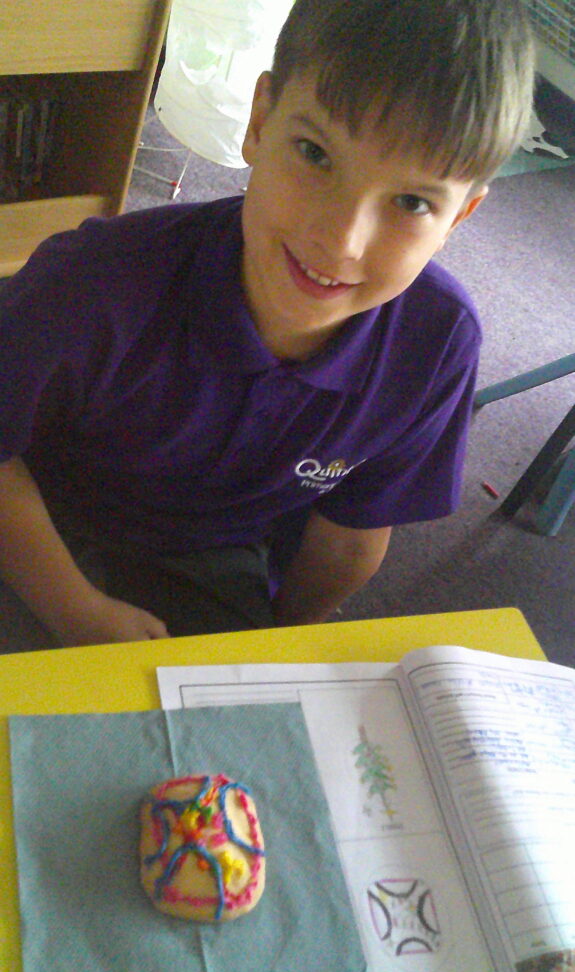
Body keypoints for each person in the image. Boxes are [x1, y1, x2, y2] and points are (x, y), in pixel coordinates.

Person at [0, 0, 535, 650]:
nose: (341, 241)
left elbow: (350, 540)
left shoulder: (438, 343)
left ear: (458, 218)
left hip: (211, 554)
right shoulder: (91, 280)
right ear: (258, 122)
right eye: (315, 154)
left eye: (411, 202)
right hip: (38, 519)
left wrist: (272, 654)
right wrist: (74, 609)